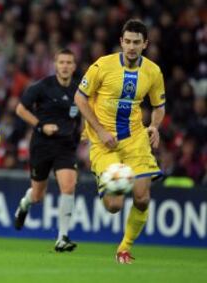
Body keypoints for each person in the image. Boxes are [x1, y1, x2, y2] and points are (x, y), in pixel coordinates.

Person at [75, 19, 166, 264]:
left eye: (137, 42)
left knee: (142, 197)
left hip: (135, 138)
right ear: (121, 42)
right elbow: (80, 98)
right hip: (104, 141)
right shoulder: (102, 66)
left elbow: (159, 106)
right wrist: (101, 131)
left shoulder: (153, 72)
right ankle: (103, 179)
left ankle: (124, 248)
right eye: (127, 42)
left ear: (145, 44)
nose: (131, 47)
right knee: (114, 206)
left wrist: (155, 126)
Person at [14, 49, 81, 252]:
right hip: (42, 145)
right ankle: (25, 204)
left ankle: (62, 237)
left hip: (66, 146)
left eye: (69, 62)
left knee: (68, 187)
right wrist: (41, 126)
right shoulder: (42, 86)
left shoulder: (79, 91)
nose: (65, 66)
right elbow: (20, 109)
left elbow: (85, 113)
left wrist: (85, 134)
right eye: (61, 62)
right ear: (55, 65)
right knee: (37, 196)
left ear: (74, 66)